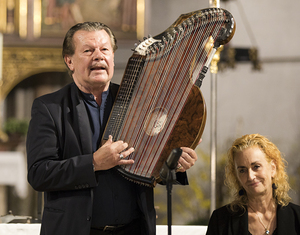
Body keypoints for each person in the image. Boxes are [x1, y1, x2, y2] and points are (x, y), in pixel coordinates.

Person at [26, 22, 199, 235]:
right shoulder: (49, 108)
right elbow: (39, 174)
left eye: (104, 49)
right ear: (69, 61)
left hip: (134, 230)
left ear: (113, 58)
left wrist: (175, 165)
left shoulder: (139, 102)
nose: (98, 56)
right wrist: (94, 163)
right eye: (88, 50)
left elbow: (149, 164)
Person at [206, 133, 300, 235]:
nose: (250, 176)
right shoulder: (221, 220)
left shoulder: (297, 217)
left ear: (273, 168)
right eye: (242, 170)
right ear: (236, 176)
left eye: (256, 166)